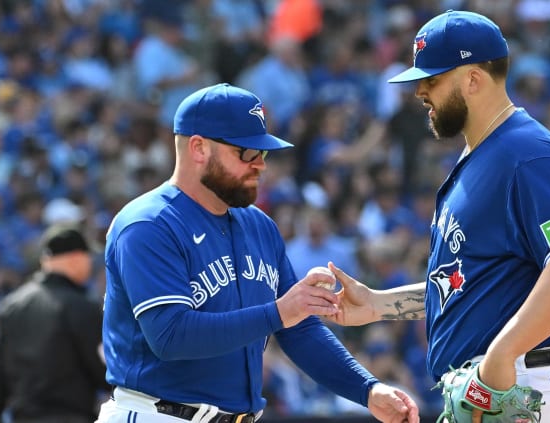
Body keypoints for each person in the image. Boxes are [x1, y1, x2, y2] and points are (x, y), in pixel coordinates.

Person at [326, 10, 550, 422]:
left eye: (433, 79)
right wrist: (379, 304)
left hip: (531, 383)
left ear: (473, 79)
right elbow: (474, 284)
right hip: (508, 382)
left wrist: (500, 358)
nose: (421, 91)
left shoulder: (526, 153)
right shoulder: (480, 156)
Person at [96, 83, 419, 423]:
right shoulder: (148, 224)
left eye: (263, 153)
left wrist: (366, 389)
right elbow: (170, 335)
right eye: (246, 153)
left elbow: (299, 328)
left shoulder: (259, 226)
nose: (260, 165)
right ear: (198, 148)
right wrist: (279, 312)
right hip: (158, 415)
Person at [0, 224, 108, 423]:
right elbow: (103, 370)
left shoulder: (12, 305)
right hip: (72, 417)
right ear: (76, 258)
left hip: (24, 418)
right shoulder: (83, 306)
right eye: (86, 256)